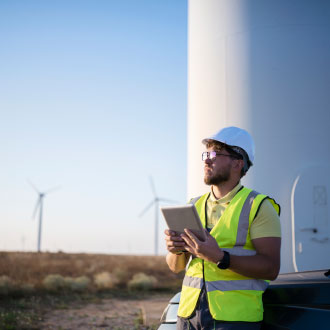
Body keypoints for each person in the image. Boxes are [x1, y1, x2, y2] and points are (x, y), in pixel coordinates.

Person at [165, 126, 281, 330]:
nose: (206, 160)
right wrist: (175, 250)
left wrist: (220, 257)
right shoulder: (193, 205)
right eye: (206, 154)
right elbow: (175, 266)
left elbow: (271, 268)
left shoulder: (259, 207)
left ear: (238, 162)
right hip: (188, 316)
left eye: (214, 154)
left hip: (234, 319)